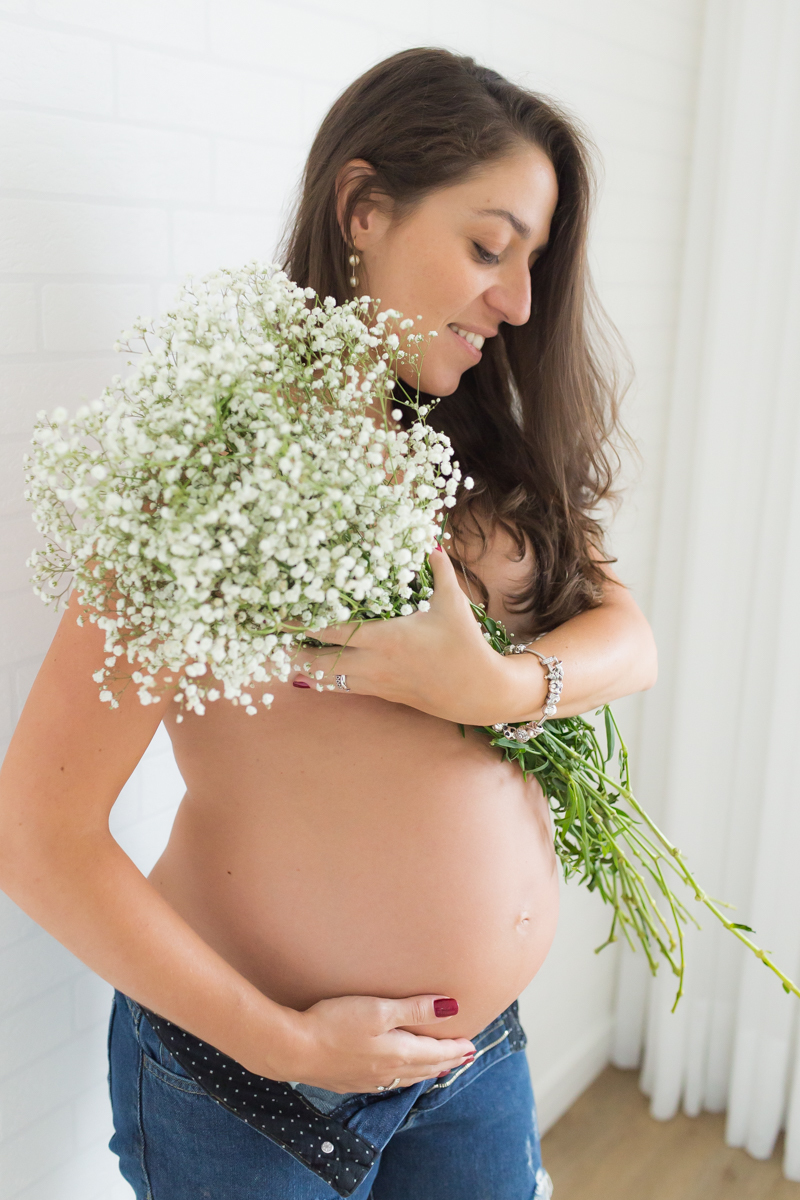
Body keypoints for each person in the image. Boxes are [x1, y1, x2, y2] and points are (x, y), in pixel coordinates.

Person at [0, 47, 657, 1200]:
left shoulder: (479, 444)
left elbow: (629, 639)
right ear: (361, 208)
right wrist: (287, 1046)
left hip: (473, 1058)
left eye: (533, 263)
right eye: (487, 247)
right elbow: (36, 835)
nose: (517, 302)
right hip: (249, 1091)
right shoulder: (205, 463)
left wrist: (496, 689)